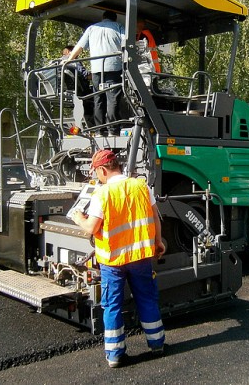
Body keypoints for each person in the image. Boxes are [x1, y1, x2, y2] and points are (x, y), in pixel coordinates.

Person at [71, 149, 166, 368]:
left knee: (112, 306)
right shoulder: (142, 187)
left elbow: (91, 228)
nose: (96, 177)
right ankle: (157, 344)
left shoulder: (101, 195)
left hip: (113, 262)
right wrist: (158, 241)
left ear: (103, 169)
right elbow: (155, 218)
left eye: (96, 172)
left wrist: (78, 218)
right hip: (140, 257)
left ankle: (114, 355)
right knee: (147, 299)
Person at [67, 11, 125, 136]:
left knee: (98, 99)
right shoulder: (119, 27)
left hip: (97, 70)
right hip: (114, 68)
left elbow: (79, 46)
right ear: (114, 19)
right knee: (112, 99)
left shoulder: (92, 29)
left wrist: (68, 60)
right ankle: (113, 131)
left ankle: (99, 130)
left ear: (103, 18)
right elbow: (126, 44)